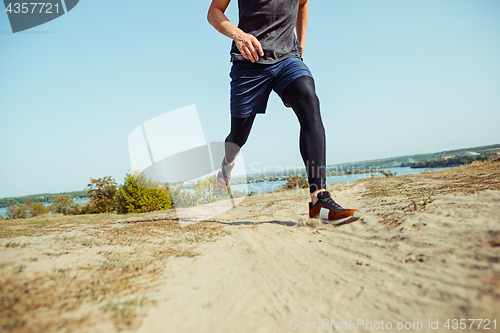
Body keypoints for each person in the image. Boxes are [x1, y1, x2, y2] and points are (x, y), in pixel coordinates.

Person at [207, 0, 360, 224]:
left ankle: (319, 200)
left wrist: (302, 45)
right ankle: (228, 161)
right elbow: (214, 12)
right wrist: (239, 35)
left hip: (287, 59)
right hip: (249, 63)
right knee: (238, 138)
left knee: (309, 100)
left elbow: (303, 3)